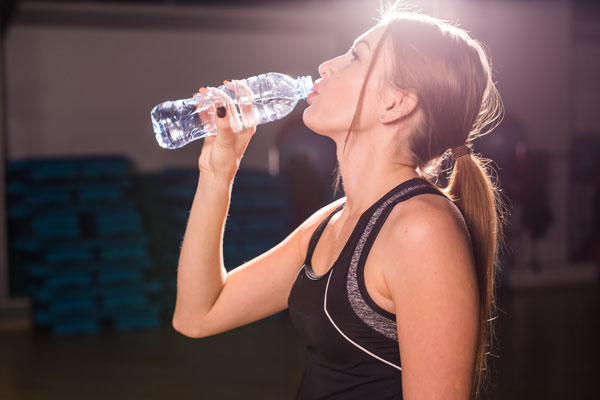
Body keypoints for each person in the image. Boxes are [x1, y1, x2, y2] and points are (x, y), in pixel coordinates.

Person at [172, 1, 506, 399]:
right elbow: (197, 315)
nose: (327, 65)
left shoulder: (420, 229)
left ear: (395, 103)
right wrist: (217, 172)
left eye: (355, 56)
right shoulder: (329, 223)